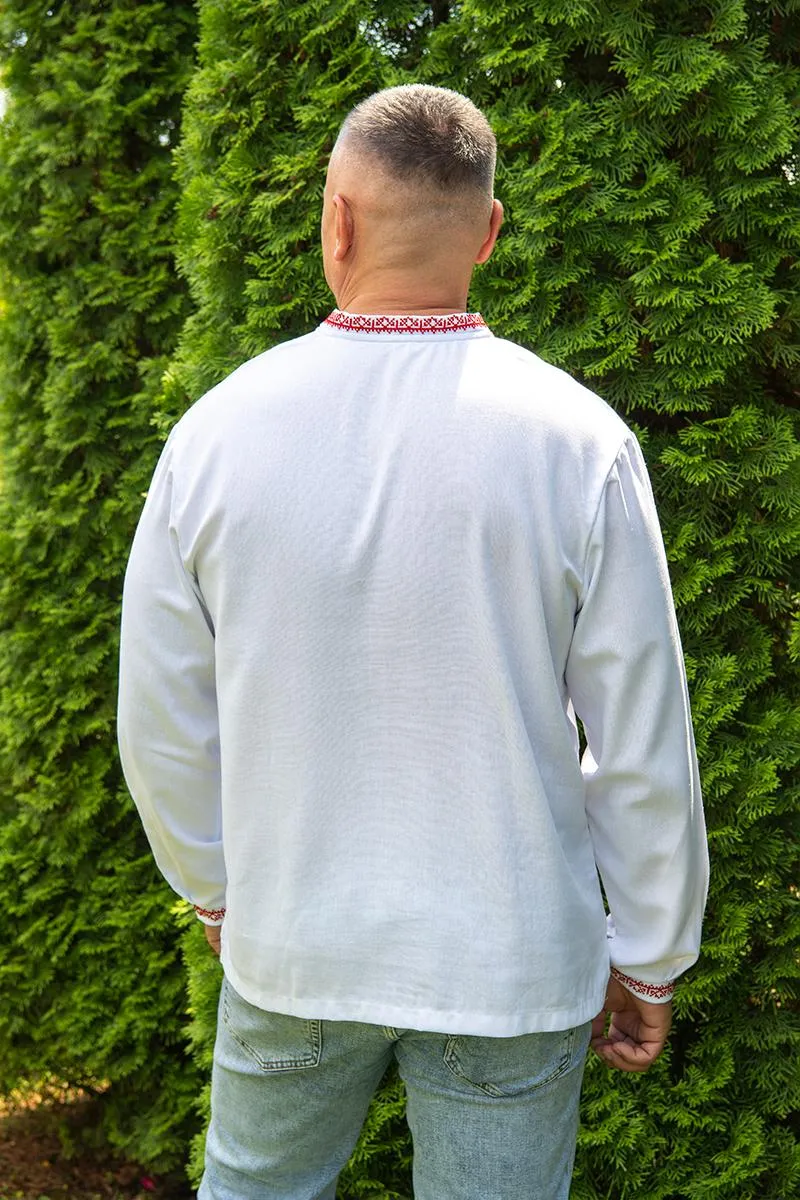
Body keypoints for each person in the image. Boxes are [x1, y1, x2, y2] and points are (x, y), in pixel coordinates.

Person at [117, 84, 709, 1200]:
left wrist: (212, 889)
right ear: (487, 234)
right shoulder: (576, 440)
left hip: (293, 938)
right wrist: (651, 954)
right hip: (509, 959)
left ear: (335, 219)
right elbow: (641, 734)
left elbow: (159, 713)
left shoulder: (218, 432)